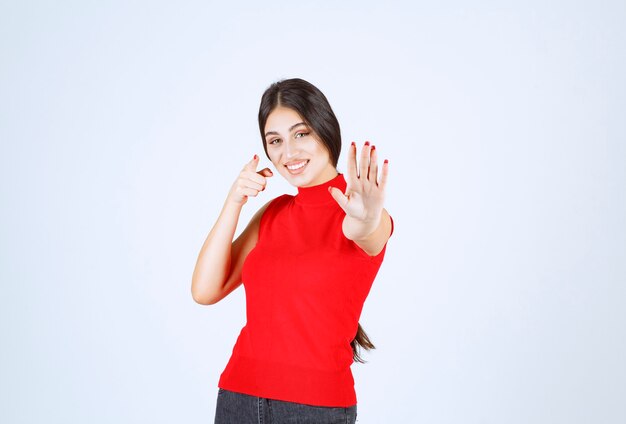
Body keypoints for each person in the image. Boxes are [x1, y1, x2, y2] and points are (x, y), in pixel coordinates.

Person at [191, 78, 393, 424]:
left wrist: (366, 218)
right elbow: (205, 290)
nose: (289, 153)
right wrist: (233, 202)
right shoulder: (274, 213)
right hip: (238, 397)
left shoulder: (360, 211)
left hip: (315, 408)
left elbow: (367, 233)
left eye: (301, 134)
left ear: (325, 129)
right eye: (276, 141)